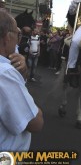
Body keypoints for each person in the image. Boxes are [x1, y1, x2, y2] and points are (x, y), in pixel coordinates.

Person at [0, 9, 43, 151]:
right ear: (7, 37)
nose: (18, 40)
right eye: (17, 34)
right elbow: (36, 123)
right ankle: (71, 67)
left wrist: (22, 73)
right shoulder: (5, 73)